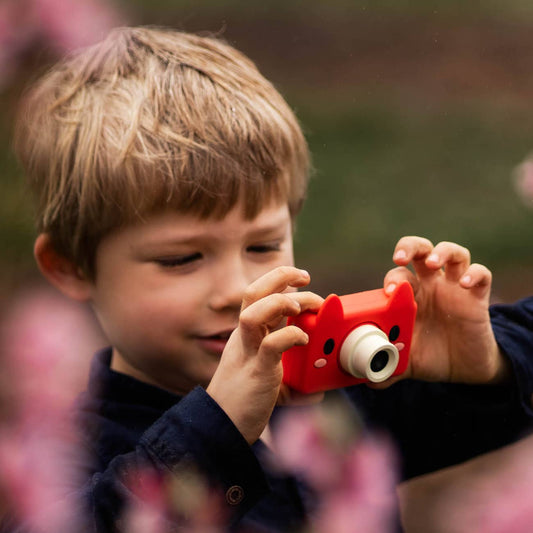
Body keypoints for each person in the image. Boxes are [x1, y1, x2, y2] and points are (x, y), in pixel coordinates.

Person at [7, 25, 533, 533]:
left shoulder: (328, 388)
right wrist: (219, 430)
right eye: (181, 258)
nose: (238, 288)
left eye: (262, 245)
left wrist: (486, 362)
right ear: (71, 265)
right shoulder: (62, 455)